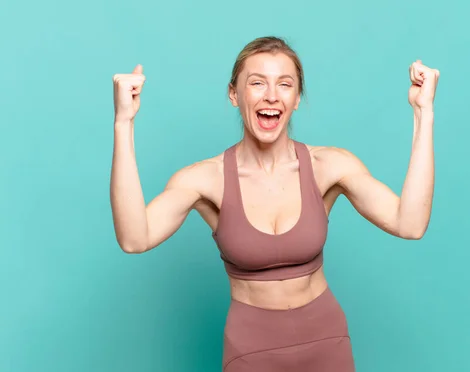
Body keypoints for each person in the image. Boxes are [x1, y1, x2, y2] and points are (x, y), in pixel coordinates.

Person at [110, 36, 439, 372]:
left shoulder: (329, 166)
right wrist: (124, 123)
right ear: (234, 94)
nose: (271, 95)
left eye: (285, 84)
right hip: (250, 351)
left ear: (297, 98)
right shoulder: (206, 179)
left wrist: (423, 114)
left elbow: (409, 223)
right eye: (257, 83)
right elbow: (135, 238)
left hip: (327, 342)